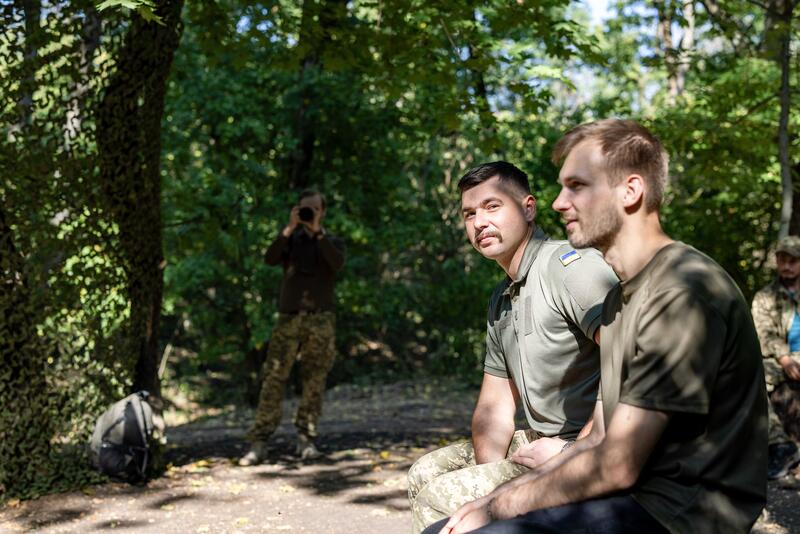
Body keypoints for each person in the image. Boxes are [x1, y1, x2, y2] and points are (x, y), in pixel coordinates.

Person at [429, 119, 767, 534]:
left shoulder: (682, 289)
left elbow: (618, 464)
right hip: (637, 492)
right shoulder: (620, 299)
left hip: (680, 512)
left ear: (631, 190)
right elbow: (596, 439)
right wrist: (489, 500)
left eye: (577, 186)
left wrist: (500, 509)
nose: (559, 202)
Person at [407, 161, 618, 532]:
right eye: (469, 214)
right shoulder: (502, 297)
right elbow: (495, 407)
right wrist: (487, 482)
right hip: (542, 439)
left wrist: (572, 454)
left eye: (492, 206)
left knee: (441, 497)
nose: (479, 222)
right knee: (426, 473)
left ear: (528, 208)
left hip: (596, 444)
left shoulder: (570, 268)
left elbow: (632, 361)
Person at [239, 189, 345, 466]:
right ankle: (259, 442)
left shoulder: (330, 241)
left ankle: (306, 440)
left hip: (320, 319)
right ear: (296, 210)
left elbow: (337, 264)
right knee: (274, 378)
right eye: (303, 209)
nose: (309, 213)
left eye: (314, 209)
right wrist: (289, 228)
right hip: (288, 318)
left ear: (323, 212)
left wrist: (317, 232)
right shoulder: (289, 239)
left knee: (314, 380)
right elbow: (269, 258)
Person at [752, 235, 800, 480]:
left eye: (793, 260)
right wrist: (784, 357)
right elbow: (763, 332)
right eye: (782, 259)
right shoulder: (765, 296)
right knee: (752, 375)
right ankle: (781, 444)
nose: (787, 265)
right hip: (781, 361)